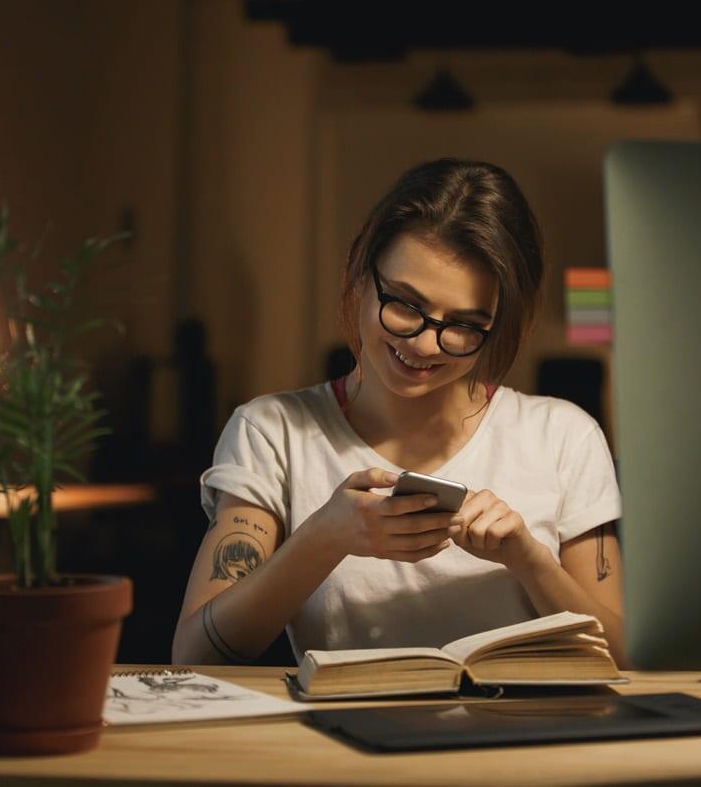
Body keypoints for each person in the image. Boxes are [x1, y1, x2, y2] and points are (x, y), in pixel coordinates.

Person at [171, 158, 626, 667]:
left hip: (521, 735)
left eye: (465, 325)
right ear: (361, 276)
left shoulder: (564, 436)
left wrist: (529, 561)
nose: (426, 344)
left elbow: (624, 659)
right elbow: (196, 654)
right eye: (406, 305)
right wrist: (324, 538)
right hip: (344, 739)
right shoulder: (273, 431)